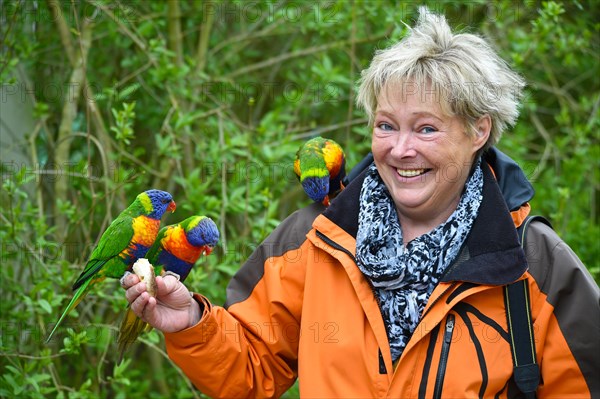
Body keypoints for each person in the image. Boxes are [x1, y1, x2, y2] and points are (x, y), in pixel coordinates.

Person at [122, 7, 599, 398]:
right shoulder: (316, 236)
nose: (400, 149)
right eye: (386, 125)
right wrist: (188, 323)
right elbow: (250, 367)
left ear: (479, 131)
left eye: (426, 128)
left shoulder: (532, 260)